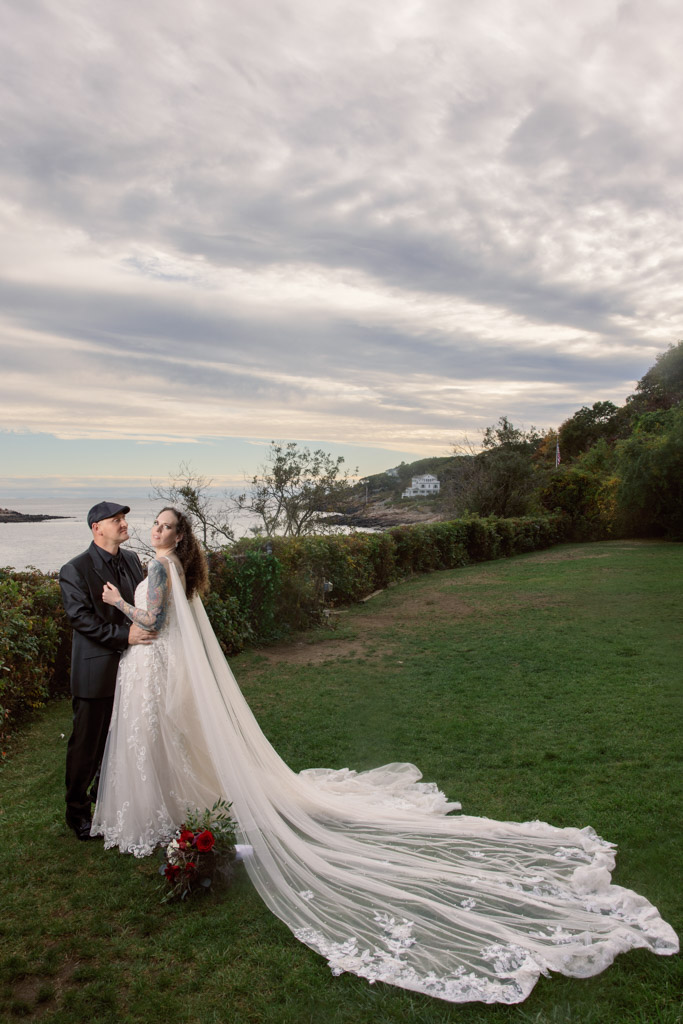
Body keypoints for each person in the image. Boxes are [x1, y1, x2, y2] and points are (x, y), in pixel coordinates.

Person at [91, 508, 678, 1005]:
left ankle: (160, 813)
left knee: (162, 742)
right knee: (166, 743)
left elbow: (154, 620)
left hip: (151, 662)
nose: (159, 531)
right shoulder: (172, 567)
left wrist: (119, 602)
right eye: (158, 525)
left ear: (179, 539)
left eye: (167, 526)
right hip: (154, 668)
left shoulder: (159, 568)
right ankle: (170, 809)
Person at [59, 501, 151, 841]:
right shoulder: (75, 569)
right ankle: (77, 811)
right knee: (87, 744)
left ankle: (108, 798)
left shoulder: (130, 560)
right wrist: (124, 635)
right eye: (117, 520)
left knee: (123, 737)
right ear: (97, 527)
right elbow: (80, 618)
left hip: (134, 667)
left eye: (124, 517)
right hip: (95, 672)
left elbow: (139, 606)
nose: (124, 523)